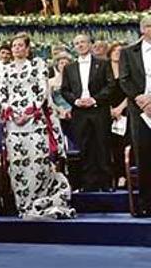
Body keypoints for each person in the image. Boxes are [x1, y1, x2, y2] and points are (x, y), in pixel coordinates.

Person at [0, 34, 75, 220]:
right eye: (14, 46)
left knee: (38, 162)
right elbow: (2, 92)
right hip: (14, 125)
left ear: (27, 48)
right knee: (18, 164)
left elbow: (42, 90)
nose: (16, 49)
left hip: (35, 121)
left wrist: (29, 112)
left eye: (20, 45)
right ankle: (23, 206)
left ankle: (40, 201)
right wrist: (13, 112)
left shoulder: (38, 65)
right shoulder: (4, 69)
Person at [60, 34, 115, 191]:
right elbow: (65, 90)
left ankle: (106, 183)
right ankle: (89, 183)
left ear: (90, 44)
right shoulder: (69, 68)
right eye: (77, 43)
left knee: (102, 145)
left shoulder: (103, 64)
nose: (80, 45)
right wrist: (76, 101)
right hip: (80, 112)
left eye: (83, 42)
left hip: (99, 110)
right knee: (85, 147)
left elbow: (110, 86)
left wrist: (95, 99)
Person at [118, 16, 151, 217]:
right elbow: (124, 79)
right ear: (142, 30)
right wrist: (142, 100)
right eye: (149, 26)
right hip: (139, 110)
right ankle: (146, 202)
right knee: (144, 156)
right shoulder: (129, 52)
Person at [108, 42, 129, 189]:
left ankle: (124, 176)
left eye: (120, 51)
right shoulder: (104, 69)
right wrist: (110, 109)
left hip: (126, 111)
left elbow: (132, 90)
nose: (117, 53)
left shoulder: (128, 68)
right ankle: (113, 176)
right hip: (107, 112)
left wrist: (120, 108)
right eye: (115, 50)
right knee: (110, 145)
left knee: (124, 144)